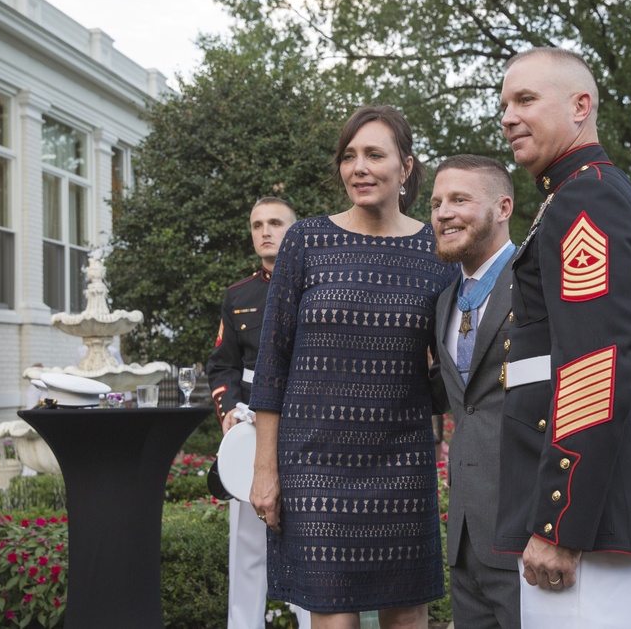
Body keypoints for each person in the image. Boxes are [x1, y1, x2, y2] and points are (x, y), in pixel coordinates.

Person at [493, 47, 631, 628]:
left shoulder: (585, 198)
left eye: (526, 99)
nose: (507, 115)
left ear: (581, 106)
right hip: (604, 506)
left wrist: (561, 521)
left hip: (592, 517)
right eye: (504, 103)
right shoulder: (583, 193)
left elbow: (592, 366)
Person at [249, 105, 453, 628]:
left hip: (402, 461)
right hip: (315, 464)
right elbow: (272, 363)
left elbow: (451, 371)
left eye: (374, 155)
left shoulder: (435, 249)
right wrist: (265, 470)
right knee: (333, 616)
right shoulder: (307, 241)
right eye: (349, 156)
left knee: (407, 613)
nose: (359, 167)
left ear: (406, 168)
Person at [204, 197, 309, 629]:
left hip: (304, 419)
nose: (265, 231)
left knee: (306, 541)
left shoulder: (315, 283)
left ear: (295, 228)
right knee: (247, 543)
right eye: (257, 224)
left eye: (276, 223)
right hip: (250, 423)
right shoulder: (237, 295)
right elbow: (222, 363)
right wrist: (227, 410)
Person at [428, 154, 521, 628]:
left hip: (527, 533)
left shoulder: (540, 281)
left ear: (503, 207)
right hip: (465, 539)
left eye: (460, 199)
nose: (444, 212)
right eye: (437, 202)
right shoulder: (446, 300)